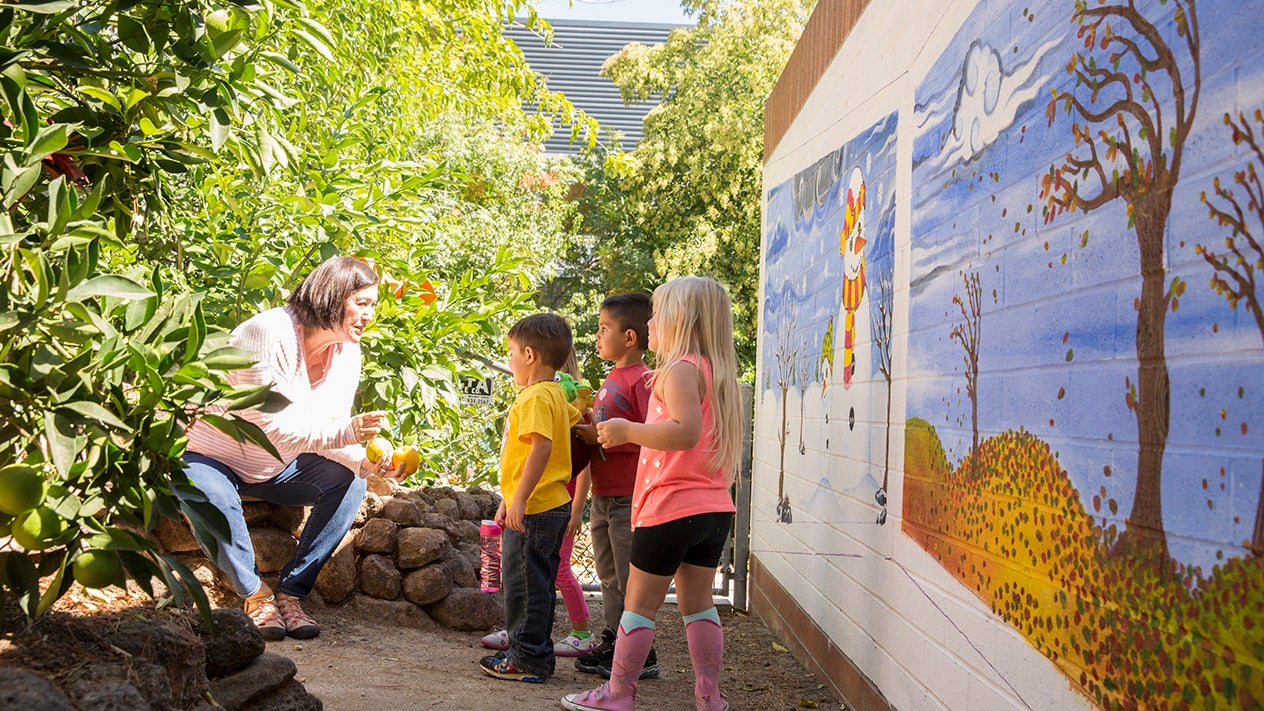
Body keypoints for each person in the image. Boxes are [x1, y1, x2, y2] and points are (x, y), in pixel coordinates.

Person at [181, 256, 400, 641]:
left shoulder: (347, 353)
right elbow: (271, 425)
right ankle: (254, 594)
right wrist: (348, 433)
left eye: (373, 306)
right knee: (206, 493)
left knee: (350, 483)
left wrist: (369, 463)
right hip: (211, 455)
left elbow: (328, 430)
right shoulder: (267, 332)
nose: (369, 315)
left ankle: (291, 593)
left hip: (276, 466)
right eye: (362, 303)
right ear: (333, 295)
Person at [562, 277, 741, 711]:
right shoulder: (715, 371)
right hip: (713, 509)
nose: (651, 322)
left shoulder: (679, 369)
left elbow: (684, 433)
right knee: (698, 605)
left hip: (669, 509)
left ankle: (619, 694)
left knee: (638, 607)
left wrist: (626, 430)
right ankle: (709, 695)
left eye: (659, 313)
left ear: (681, 318)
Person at [479, 313, 582, 683]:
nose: (508, 362)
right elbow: (575, 421)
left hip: (536, 507)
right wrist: (510, 498)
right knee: (537, 581)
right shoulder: (553, 392)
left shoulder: (536, 396)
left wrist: (520, 499)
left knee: (525, 584)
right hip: (548, 504)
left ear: (528, 354)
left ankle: (528, 656)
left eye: (510, 354)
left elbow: (541, 448)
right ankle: (532, 651)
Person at [571, 292, 655, 679]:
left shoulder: (643, 380)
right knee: (607, 573)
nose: (597, 336)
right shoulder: (611, 378)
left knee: (627, 575)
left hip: (627, 495)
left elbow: (653, 435)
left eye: (605, 329)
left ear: (631, 338)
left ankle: (642, 651)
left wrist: (603, 436)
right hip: (603, 496)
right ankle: (613, 636)